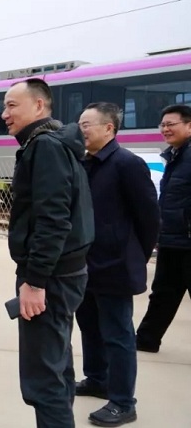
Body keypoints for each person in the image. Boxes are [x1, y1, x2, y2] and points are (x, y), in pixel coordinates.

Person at [0, 78, 93, 427]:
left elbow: (53, 219)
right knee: (56, 363)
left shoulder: (44, 147)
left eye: (12, 105)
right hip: (65, 272)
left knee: (43, 378)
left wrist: (35, 281)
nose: (4, 114)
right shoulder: (56, 142)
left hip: (50, 277)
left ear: (39, 106)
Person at [75, 102, 160, 427]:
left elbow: (148, 218)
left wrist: (133, 253)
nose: (81, 130)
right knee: (89, 326)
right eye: (80, 124)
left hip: (115, 264)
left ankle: (123, 402)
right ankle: (98, 379)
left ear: (109, 128)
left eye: (87, 125)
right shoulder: (85, 163)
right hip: (85, 263)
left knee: (118, 333)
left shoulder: (127, 164)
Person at [136, 104, 191, 353]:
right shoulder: (175, 156)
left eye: (171, 124)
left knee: (165, 293)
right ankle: (146, 340)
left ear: (189, 126)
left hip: (186, 239)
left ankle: (146, 339)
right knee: (163, 293)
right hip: (172, 239)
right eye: (163, 125)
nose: (165, 129)